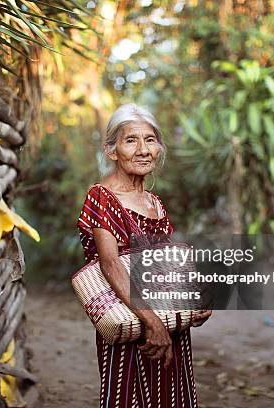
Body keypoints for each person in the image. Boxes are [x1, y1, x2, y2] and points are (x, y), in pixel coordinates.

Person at [77, 103, 212, 408]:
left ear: (160, 148)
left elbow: (163, 267)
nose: (143, 150)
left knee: (171, 395)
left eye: (150, 140)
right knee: (129, 395)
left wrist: (195, 301)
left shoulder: (155, 202)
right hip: (133, 319)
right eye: (130, 140)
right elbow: (111, 265)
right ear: (112, 151)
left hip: (166, 320)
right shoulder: (101, 197)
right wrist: (152, 324)